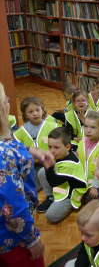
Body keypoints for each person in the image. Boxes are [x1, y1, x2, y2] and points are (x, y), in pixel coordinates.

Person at [0, 83, 54, 267]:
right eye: (6, 99)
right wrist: (31, 240)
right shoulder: (3, 157)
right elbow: (12, 206)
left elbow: (8, 142)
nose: (8, 103)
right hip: (12, 238)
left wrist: (32, 150)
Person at [37, 128, 88, 222]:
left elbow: (53, 182)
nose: (52, 151)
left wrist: (49, 167)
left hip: (70, 192)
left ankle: (69, 204)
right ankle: (51, 197)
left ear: (68, 147)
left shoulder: (70, 164)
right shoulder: (60, 154)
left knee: (50, 216)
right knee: (41, 172)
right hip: (62, 184)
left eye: (56, 147)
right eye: (50, 147)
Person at [14, 96, 58, 191]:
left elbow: (60, 144)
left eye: (37, 110)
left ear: (42, 110)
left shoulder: (53, 126)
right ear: (25, 115)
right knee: (34, 188)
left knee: (56, 184)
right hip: (33, 165)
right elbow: (16, 148)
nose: (35, 114)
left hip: (51, 161)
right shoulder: (21, 131)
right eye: (30, 112)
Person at [77, 111, 99, 201]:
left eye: (93, 127)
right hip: (81, 180)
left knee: (92, 202)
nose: (88, 130)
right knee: (73, 199)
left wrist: (94, 186)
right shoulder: (82, 142)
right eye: (86, 126)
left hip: (95, 183)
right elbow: (77, 160)